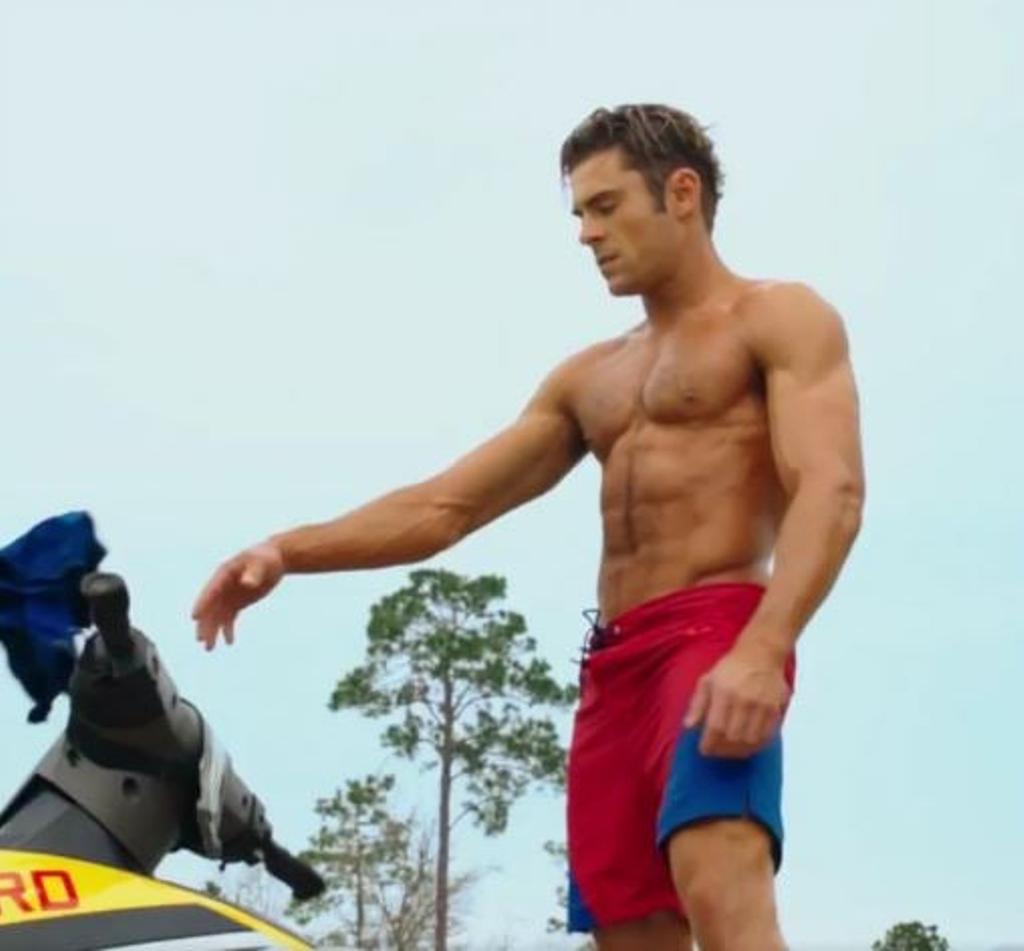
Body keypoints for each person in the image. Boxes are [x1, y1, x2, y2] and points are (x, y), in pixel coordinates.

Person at [192, 104, 864, 951]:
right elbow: (446, 507)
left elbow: (832, 488)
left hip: (713, 637)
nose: (587, 233)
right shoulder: (591, 377)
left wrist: (765, 649)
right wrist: (285, 550)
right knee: (629, 934)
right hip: (614, 669)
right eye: (579, 213)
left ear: (682, 193)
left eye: (606, 206)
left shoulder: (779, 318)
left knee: (721, 885)